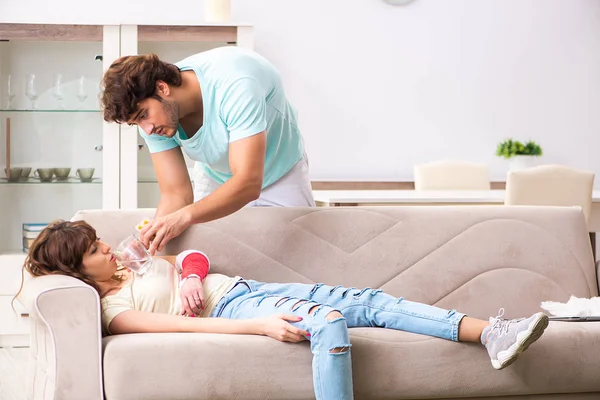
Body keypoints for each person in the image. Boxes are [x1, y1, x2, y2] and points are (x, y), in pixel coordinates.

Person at [17, 220, 549, 400]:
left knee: (371, 301)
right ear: (78, 270)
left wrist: (192, 276)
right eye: (93, 250)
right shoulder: (115, 308)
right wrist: (259, 326)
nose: (106, 248)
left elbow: (194, 256)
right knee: (331, 321)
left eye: (98, 242)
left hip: (244, 285)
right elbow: (179, 326)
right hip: (239, 308)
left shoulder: (133, 261)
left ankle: (494, 334)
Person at [100, 46, 315, 255]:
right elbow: (175, 192)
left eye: (144, 115)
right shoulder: (153, 119)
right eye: (135, 123)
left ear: (162, 88)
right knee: (207, 258)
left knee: (299, 255)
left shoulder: (236, 85)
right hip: (216, 176)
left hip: (280, 172)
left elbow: (248, 183)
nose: (146, 129)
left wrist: (185, 216)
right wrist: (154, 236)